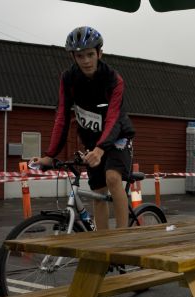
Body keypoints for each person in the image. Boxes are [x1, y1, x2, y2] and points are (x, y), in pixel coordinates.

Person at [33, 26, 135, 230]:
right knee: (98, 192)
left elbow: (113, 118)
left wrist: (100, 149)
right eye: (80, 56)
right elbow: (61, 116)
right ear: (73, 57)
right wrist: (50, 155)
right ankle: (103, 247)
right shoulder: (68, 79)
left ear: (100, 53)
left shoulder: (114, 79)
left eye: (90, 55)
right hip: (92, 141)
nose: (86, 61)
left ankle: (123, 238)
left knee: (113, 178)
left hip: (117, 137)